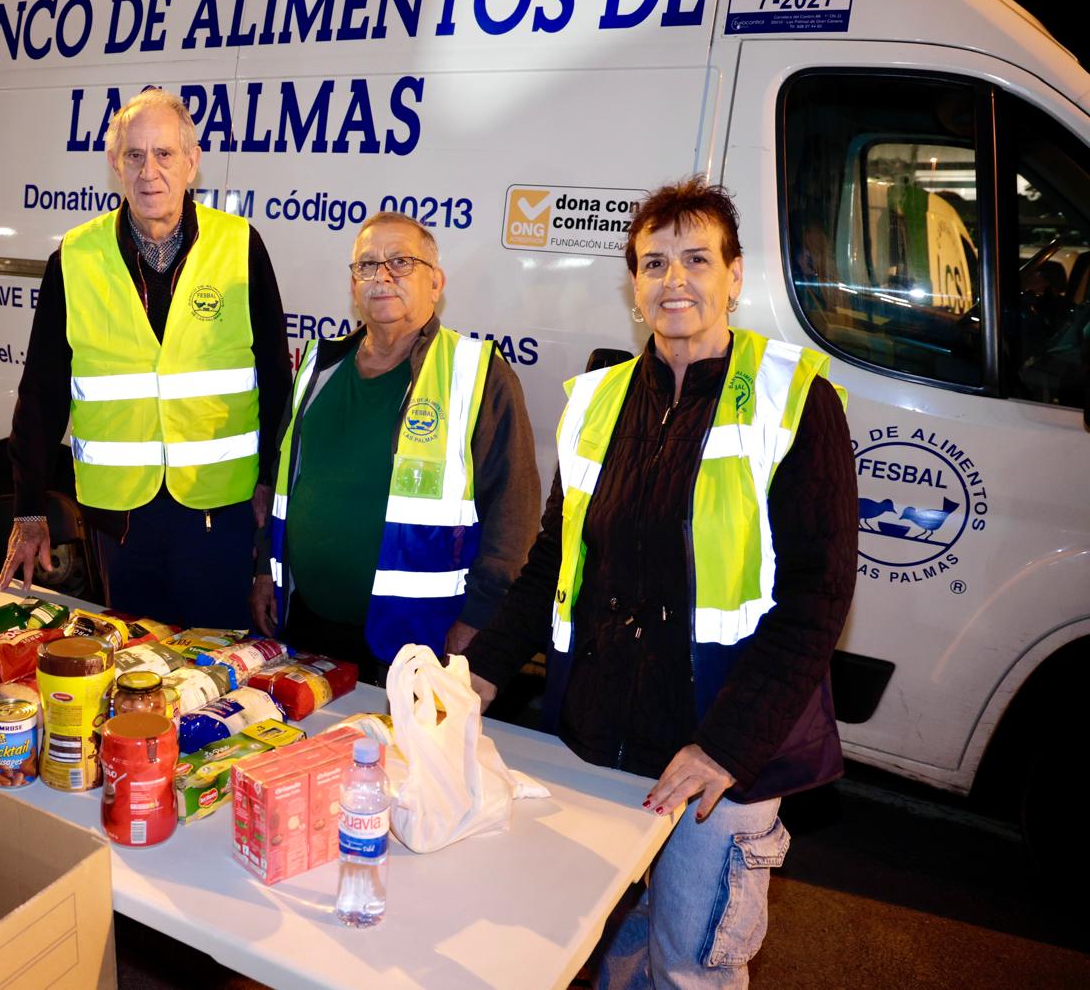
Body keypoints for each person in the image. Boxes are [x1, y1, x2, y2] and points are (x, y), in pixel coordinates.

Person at [464, 178, 856, 988]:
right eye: (654, 262)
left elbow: (817, 600)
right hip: (602, 740)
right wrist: (482, 670)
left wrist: (725, 749)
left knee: (688, 969)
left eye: (697, 259)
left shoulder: (795, 402)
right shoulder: (600, 399)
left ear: (735, 277)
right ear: (633, 287)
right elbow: (553, 561)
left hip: (717, 759)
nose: (675, 279)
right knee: (601, 947)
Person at [0, 88, 291, 628]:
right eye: (135, 155)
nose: (149, 171)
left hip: (218, 510)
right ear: (116, 164)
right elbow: (40, 392)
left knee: (218, 664)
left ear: (192, 162)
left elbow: (277, 381)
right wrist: (30, 508)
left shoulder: (240, 246)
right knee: (137, 665)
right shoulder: (75, 258)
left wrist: (270, 486)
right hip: (121, 521)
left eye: (164, 154)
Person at [250, 211, 540, 679]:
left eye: (401, 262)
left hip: (418, 640)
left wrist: (479, 621)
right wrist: (266, 570)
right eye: (366, 265)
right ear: (352, 285)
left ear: (436, 282)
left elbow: (514, 516)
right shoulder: (317, 368)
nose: (382, 276)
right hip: (305, 624)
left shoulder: (477, 373)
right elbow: (282, 484)